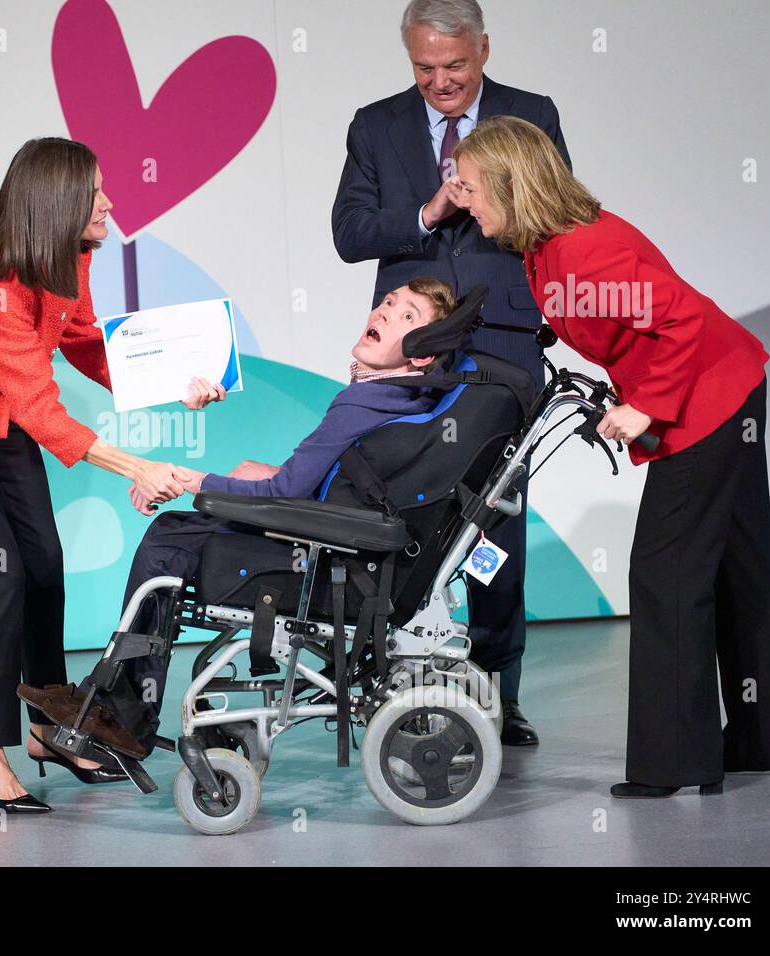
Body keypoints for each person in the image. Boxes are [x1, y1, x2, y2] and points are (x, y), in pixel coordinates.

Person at [450, 114, 770, 797]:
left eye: (468, 186)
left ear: (507, 183)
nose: (463, 198)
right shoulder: (545, 246)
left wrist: (646, 407)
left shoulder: (581, 248)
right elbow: (607, 314)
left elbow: (680, 320)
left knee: (665, 577)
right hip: (729, 384)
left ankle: (675, 763)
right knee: (741, 566)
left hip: (709, 402)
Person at [0, 137, 225, 813]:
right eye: (96, 192)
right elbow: (44, 413)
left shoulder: (68, 253)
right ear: (57, 204)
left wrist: (175, 383)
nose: (109, 201)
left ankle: (49, 725)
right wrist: (138, 466)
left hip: (3, 421)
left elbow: (82, 341)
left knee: (43, 561)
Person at [20, 278, 455, 755]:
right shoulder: (406, 396)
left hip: (328, 557)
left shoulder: (364, 400)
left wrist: (190, 479)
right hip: (343, 540)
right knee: (176, 532)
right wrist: (257, 474)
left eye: (408, 316)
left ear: (422, 354)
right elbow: (325, 482)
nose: (386, 311)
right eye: (388, 301)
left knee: (167, 540)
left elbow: (286, 490)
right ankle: (120, 704)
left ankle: (127, 714)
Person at [331, 0, 571, 745]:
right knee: (402, 503)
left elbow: (556, 215)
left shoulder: (532, 113)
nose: (440, 81)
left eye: (455, 67)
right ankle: (392, 676)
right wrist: (429, 211)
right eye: (424, 67)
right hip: (416, 350)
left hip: (504, 343)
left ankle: (500, 692)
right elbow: (349, 232)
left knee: (494, 518)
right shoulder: (376, 124)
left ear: (484, 50)